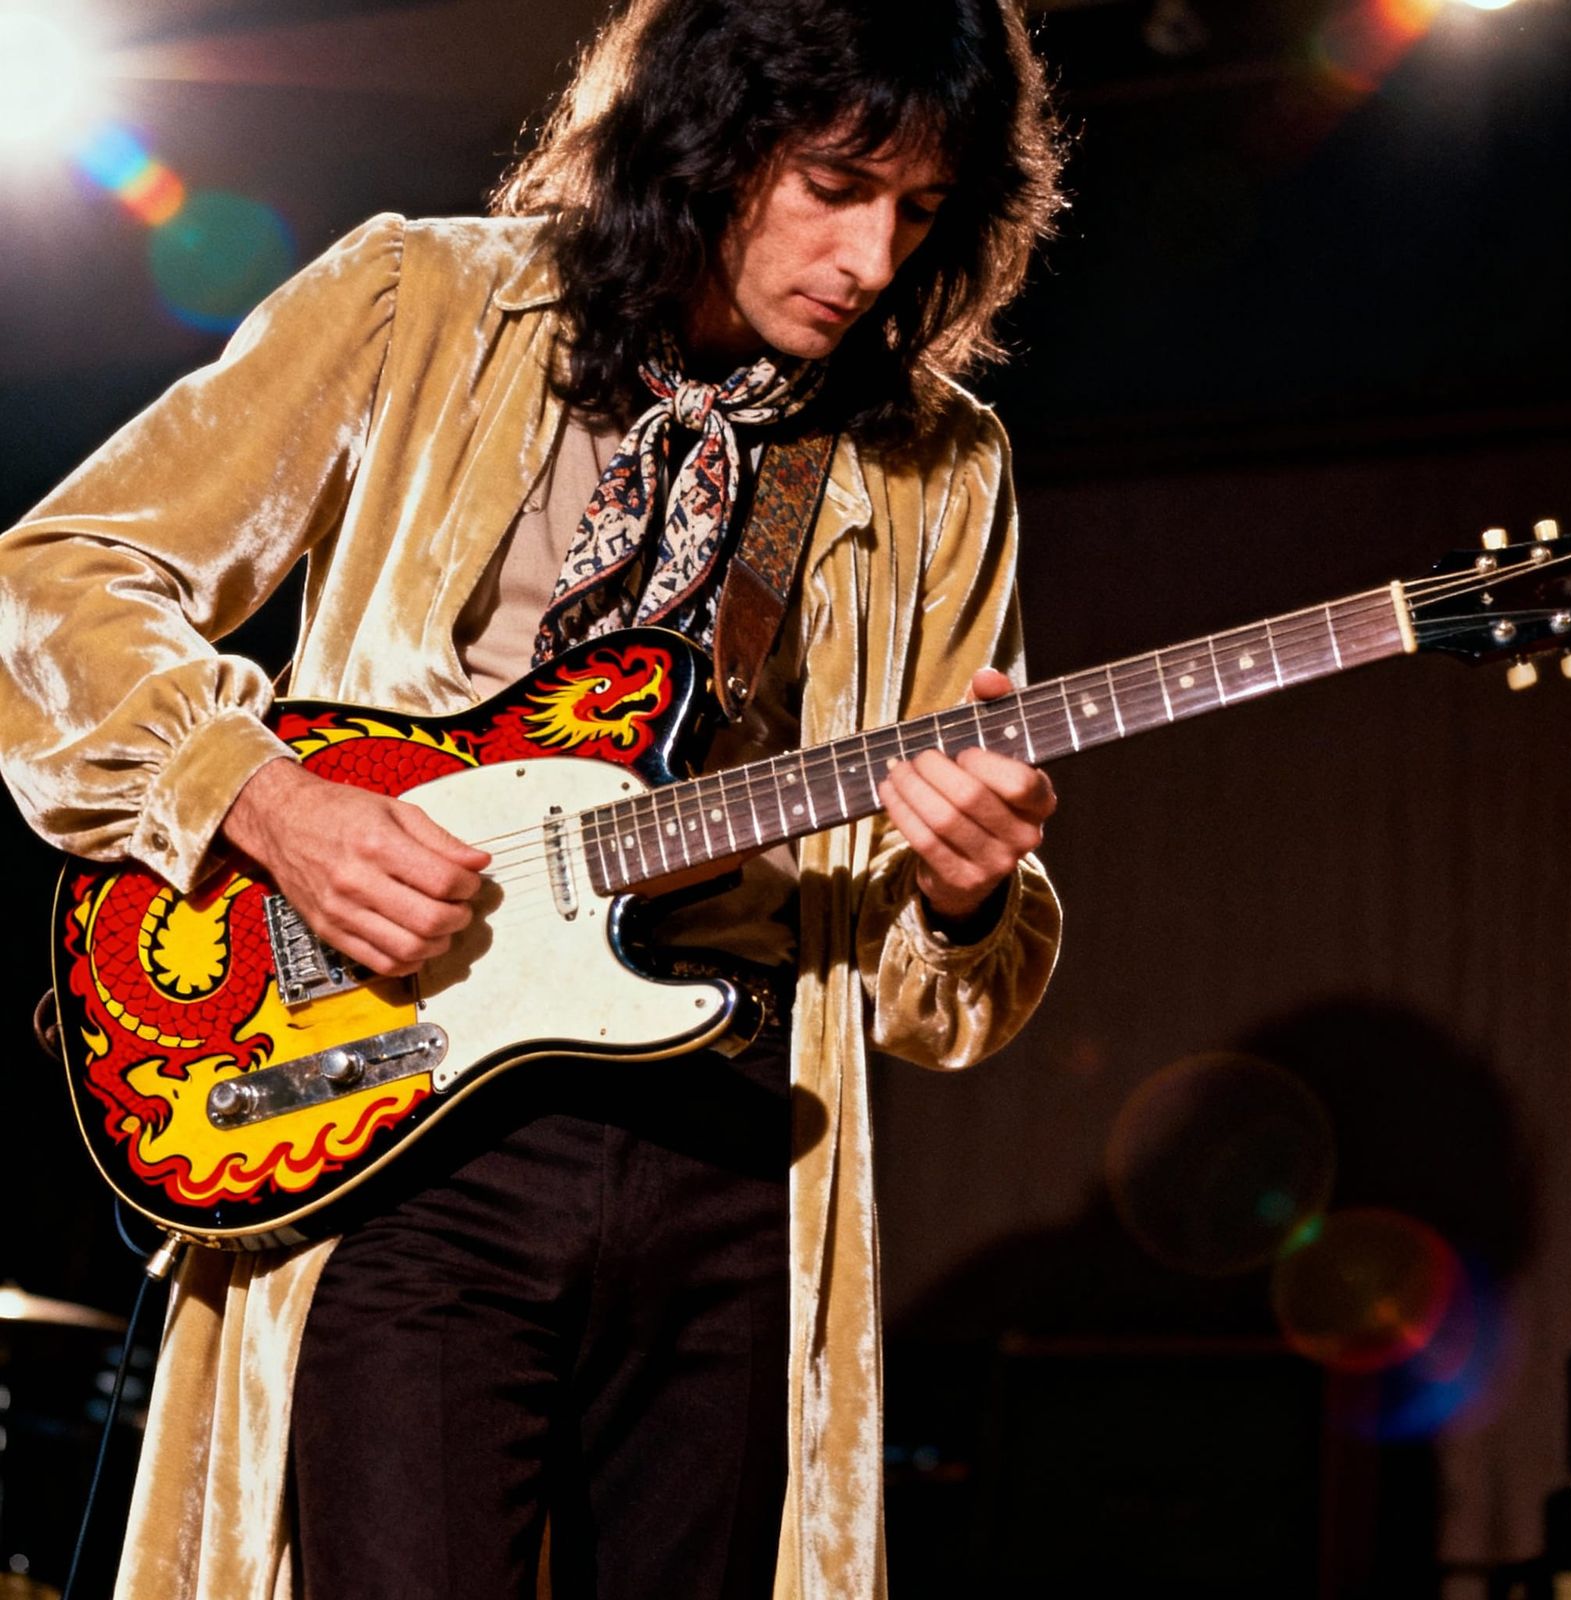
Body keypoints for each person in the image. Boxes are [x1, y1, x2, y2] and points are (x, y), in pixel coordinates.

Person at [0, 0, 1064, 1594]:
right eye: (840, 185)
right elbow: (60, 578)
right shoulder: (420, 300)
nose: (873, 258)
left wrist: (969, 889)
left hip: (731, 1151)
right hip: (403, 1116)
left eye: (919, 213)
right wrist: (273, 806)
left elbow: (935, 1002)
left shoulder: (937, 465)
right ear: (714, 135)